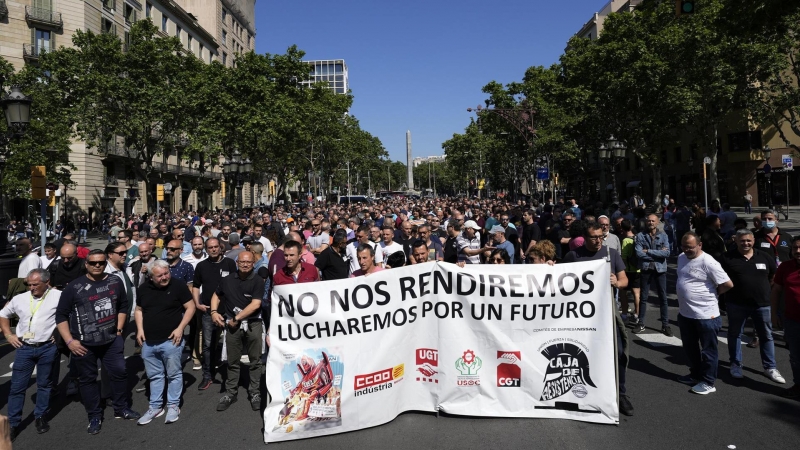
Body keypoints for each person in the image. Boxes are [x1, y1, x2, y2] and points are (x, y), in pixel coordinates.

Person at [55, 249, 141, 434]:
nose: (97, 265)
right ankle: (94, 415)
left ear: (105, 263)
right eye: (93, 262)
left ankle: (121, 408)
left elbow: (123, 305)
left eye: (101, 262)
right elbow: (61, 315)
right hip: (84, 344)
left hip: (111, 340)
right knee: (88, 380)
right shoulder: (74, 287)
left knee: (119, 372)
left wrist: (118, 330)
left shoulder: (114, 281)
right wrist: (70, 342)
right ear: (86, 264)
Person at [561, 223, 632, 416]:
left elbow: (625, 280)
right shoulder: (573, 256)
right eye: (594, 237)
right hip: (580, 318)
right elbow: (557, 280)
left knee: (617, 352)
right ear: (585, 238)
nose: (599, 240)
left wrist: (617, 283)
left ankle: (621, 393)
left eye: (601, 236)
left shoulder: (612, 254)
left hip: (606, 314)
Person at [0, 269, 61, 441]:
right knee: (17, 388)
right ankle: (13, 423)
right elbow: (3, 314)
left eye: (35, 284)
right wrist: (8, 335)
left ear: (46, 282)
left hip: (47, 348)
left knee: (44, 384)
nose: (31, 288)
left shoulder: (58, 296)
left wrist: (60, 334)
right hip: (24, 348)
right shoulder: (19, 299)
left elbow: (69, 314)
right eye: (29, 284)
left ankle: (40, 416)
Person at [135, 260, 196, 425]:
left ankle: (173, 405)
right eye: (160, 275)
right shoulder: (143, 289)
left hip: (171, 340)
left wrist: (181, 328)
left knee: (174, 374)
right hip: (148, 341)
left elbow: (190, 307)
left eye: (166, 273)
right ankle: (155, 407)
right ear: (151, 277)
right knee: (154, 375)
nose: (164, 277)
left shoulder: (178, 286)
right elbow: (139, 310)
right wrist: (139, 330)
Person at [721, 229, 785, 384]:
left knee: (766, 336)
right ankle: (736, 364)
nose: (745, 243)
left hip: (762, 304)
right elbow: (719, 279)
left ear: (753, 241)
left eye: (748, 240)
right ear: (736, 241)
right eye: (742, 241)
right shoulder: (727, 258)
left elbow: (773, 277)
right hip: (736, 304)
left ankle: (770, 367)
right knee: (735, 334)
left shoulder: (764, 256)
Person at [675, 232, 733, 395]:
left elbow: (727, 284)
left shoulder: (709, 262)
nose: (686, 250)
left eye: (690, 247)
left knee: (708, 351)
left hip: (706, 315)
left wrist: (713, 294)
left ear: (699, 245)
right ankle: (695, 375)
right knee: (690, 348)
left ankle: (708, 382)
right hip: (686, 314)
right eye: (684, 246)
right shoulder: (681, 257)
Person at [210, 250, 265, 412]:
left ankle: (255, 392)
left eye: (249, 262)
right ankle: (230, 392)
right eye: (242, 262)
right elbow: (216, 295)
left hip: (253, 323)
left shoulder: (257, 281)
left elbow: (256, 304)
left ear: (253, 263)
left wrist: (236, 319)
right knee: (232, 360)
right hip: (232, 324)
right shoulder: (227, 280)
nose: (245, 264)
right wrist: (214, 312)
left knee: (255, 360)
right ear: (237, 263)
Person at [192, 237, 237, 391]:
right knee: (207, 344)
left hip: (228, 309)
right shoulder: (201, 266)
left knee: (232, 343)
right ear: (206, 249)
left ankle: (232, 376)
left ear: (220, 247)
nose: (213, 249)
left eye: (215, 247)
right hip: (208, 311)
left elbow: (236, 284)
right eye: (210, 247)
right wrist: (197, 303)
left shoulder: (230, 264)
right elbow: (196, 286)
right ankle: (207, 375)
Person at [770, 237, 800, 398]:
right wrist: (773, 314)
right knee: (795, 356)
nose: (798, 251)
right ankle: (798, 385)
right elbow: (776, 291)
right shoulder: (785, 267)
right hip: (792, 320)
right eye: (795, 248)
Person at [633, 214, 671, 336]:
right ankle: (641, 322)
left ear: (657, 222)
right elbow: (639, 253)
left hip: (660, 269)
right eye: (648, 221)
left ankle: (665, 324)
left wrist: (648, 251)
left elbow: (667, 253)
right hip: (646, 269)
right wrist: (657, 254)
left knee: (663, 298)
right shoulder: (640, 236)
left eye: (653, 221)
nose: (650, 223)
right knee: (643, 297)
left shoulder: (663, 235)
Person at [619, 220, 641, 325]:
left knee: (624, 293)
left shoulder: (625, 240)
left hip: (627, 270)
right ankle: (637, 314)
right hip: (638, 269)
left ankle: (624, 314)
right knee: (637, 293)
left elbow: (624, 257)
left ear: (622, 228)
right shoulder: (637, 238)